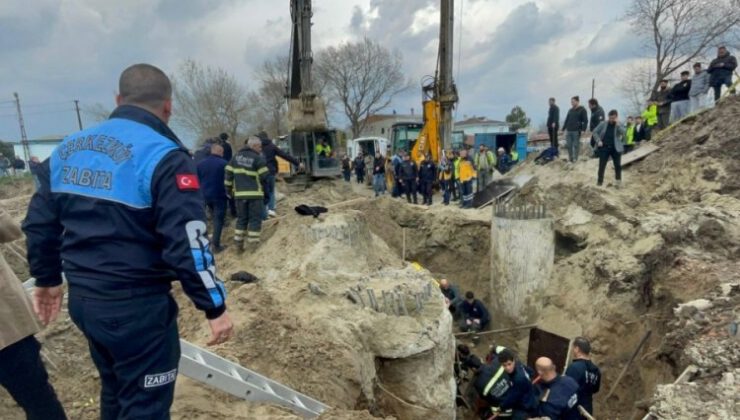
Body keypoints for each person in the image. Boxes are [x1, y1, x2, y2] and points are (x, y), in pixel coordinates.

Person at [23, 63, 233, 419]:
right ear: (168, 107)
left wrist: (46, 279)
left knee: (117, 391)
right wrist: (214, 306)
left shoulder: (67, 150)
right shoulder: (165, 156)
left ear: (118, 99)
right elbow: (188, 241)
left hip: (86, 302)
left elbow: (39, 224)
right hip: (137, 309)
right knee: (145, 406)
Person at [1, 209, 67, 420]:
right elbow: (9, 230)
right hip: (6, 328)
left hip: (7, 329)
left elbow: (10, 231)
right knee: (38, 400)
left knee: (38, 400)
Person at [226, 136, 270, 248]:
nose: (261, 149)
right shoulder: (257, 158)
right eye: (259, 147)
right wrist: (267, 194)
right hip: (255, 195)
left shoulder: (235, 157)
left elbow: (228, 174)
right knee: (255, 219)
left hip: (240, 195)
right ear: (254, 146)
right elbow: (265, 178)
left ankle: (238, 244)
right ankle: (253, 245)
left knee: (241, 219)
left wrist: (228, 190)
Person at [258, 131, 301, 218]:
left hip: (259, 173)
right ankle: (271, 210)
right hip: (270, 172)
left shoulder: (257, 148)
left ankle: (264, 211)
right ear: (267, 137)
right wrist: (297, 163)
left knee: (262, 191)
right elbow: (284, 155)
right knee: (271, 191)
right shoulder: (272, 146)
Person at [197, 143, 228, 253]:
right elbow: (227, 180)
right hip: (219, 195)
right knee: (218, 219)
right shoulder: (224, 163)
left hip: (204, 195)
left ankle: (204, 241)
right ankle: (216, 245)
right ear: (220, 151)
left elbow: (197, 180)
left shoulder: (200, 164)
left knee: (206, 218)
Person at [565, 337, 601, 416]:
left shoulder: (574, 367)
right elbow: (595, 389)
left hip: (574, 411)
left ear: (577, 349)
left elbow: (567, 390)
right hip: (587, 410)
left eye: (573, 348)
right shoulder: (596, 370)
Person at [498, 349, 538, 420]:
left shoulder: (518, 379)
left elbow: (512, 398)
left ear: (513, 361)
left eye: (509, 364)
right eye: (504, 365)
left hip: (527, 406)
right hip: (531, 395)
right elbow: (531, 372)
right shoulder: (519, 364)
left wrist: (501, 406)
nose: (508, 368)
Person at [592, 110, 626, 188]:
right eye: (610, 118)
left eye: (613, 118)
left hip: (615, 148)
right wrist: (598, 141)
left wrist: (617, 125)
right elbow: (595, 132)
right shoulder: (603, 124)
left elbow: (624, 133)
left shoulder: (619, 124)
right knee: (602, 165)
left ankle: (618, 182)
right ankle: (599, 182)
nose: (611, 120)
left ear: (616, 117)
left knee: (617, 165)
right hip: (604, 148)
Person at [562, 96, 588, 163]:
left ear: (577, 101)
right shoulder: (570, 110)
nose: (572, 103)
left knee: (576, 145)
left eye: (573, 101)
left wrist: (583, 129)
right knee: (569, 145)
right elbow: (567, 120)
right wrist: (563, 129)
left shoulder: (582, 109)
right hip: (569, 130)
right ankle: (570, 158)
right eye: (571, 102)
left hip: (576, 131)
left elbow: (586, 120)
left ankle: (575, 159)